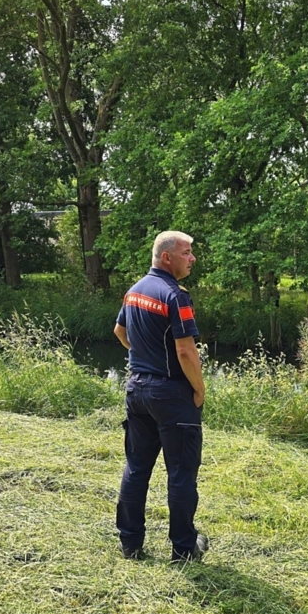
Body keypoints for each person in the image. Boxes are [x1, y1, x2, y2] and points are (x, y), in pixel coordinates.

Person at [113, 231, 208, 562]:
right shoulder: (175, 296)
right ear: (167, 257)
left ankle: (130, 543)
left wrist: (145, 356)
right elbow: (186, 351)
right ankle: (184, 549)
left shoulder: (134, 292)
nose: (192, 258)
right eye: (187, 252)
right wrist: (199, 388)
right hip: (171, 394)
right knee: (181, 473)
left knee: (136, 467)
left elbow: (120, 332)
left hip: (136, 389)